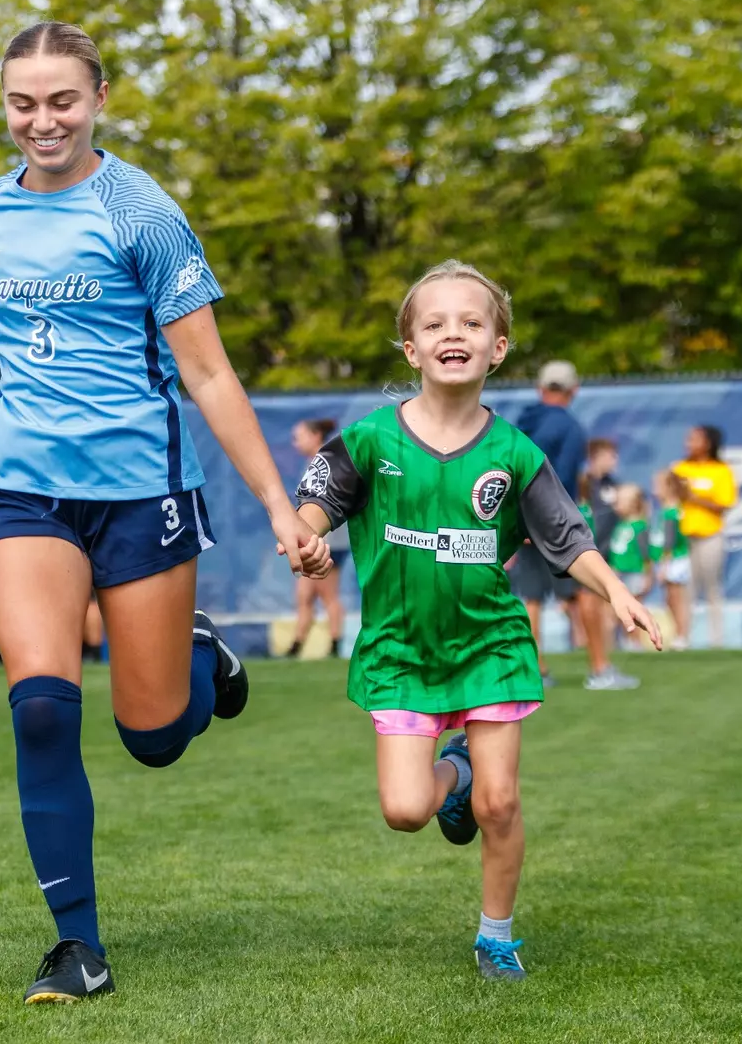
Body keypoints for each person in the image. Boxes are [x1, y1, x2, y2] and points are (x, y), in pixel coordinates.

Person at [0, 21, 325, 1004]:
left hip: (141, 488)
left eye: (62, 100)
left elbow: (206, 369)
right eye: (23, 102)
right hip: (21, 481)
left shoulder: (141, 213)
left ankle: (200, 656)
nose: (43, 120)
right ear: (4, 106)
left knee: (154, 733)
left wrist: (280, 504)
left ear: (99, 98)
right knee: (38, 706)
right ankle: (78, 947)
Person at [293, 260, 661, 983]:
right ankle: (452, 772)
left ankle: (496, 936)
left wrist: (615, 590)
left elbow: (566, 537)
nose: (452, 333)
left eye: (471, 321)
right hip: (400, 651)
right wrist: (307, 535)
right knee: (403, 810)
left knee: (502, 802)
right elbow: (317, 499)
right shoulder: (371, 440)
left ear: (497, 347)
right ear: (410, 348)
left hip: (490, 644)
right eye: (434, 324)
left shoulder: (515, 453)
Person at [510, 361, 587, 688]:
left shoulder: (520, 423)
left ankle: (535, 667)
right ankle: (600, 665)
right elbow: (562, 481)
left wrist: (517, 520)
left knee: (531, 598)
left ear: (541, 389)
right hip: (551, 522)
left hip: (517, 519)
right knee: (580, 592)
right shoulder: (570, 428)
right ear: (574, 390)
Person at [578, 438, 638, 690]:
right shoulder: (582, 483)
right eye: (610, 455)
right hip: (583, 553)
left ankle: (602, 666)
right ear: (597, 456)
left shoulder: (611, 485)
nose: (614, 461)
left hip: (603, 555)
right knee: (588, 604)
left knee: (600, 609)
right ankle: (598, 670)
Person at [287, 418, 347, 659]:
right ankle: (296, 645)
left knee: (327, 594)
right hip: (314, 541)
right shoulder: (313, 464)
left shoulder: (326, 463)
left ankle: (334, 644)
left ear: (314, 437)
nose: (295, 443)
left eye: (299, 436)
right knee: (304, 595)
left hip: (329, 542)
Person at [672, 425, 735, 648]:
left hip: (710, 535)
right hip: (684, 536)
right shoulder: (680, 468)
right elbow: (670, 499)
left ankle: (716, 640)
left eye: (695, 439)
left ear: (708, 443)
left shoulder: (720, 470)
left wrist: (694, 498)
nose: (689, 443)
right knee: (684, 589)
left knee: (712, 589)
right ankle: (682, 637)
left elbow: (724, 504)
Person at [605, 484, 656, 647]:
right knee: (618, 610)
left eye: (619, 502)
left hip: (634, 574)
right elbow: (616, 552)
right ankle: (621, 641)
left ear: (632, 504)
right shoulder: (620, 526)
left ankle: (635, 643)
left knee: (633, 611)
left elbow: (646, 555)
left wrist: (648, 576)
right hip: (619, 574)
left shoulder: (640, 527)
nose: (616, 506)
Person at [652, 469, 692, 649]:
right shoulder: (671, 510)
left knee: (676, 598)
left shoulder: (671, 512)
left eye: (657, 486)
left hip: (676, 559)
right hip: (675, 559)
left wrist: (664, 565)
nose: (654, 490)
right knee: (671, 598)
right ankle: (679, 634)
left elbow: (670, 541)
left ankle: (682, 635)